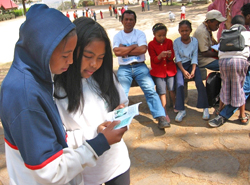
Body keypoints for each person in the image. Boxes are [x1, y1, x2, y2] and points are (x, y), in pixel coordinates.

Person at [0, 4, 127, 185]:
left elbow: (57, 138)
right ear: (43, 50)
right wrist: (98, 142)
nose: (71, 60)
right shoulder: (26, 96)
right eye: (67, 54)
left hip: (109, 166)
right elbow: (49, 170)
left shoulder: (38, 80)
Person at [54, 17, 130, 185]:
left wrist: (122, 115)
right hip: (84, 173)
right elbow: (60, 139)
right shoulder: (57, 91)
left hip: (116, 163)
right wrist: (96, 134)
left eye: (101, 57)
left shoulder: (106, 77)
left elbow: (124, 103)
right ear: (73, 51)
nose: (94, 64)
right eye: (88, 56)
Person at [113, 10, 170, 129]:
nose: (128, 22)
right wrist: (134, 46)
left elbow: (143, 50)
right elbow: (117, 52)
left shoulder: (139, 34)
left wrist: (126, 50)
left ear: (135, 21)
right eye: (126, 19)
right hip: (124, 68)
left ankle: (161, 117)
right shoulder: (117, 36)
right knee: (122, 93)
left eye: (131, 19)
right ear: (122, 21)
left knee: (150, 89)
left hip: (140, 66)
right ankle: (120, 121)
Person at [208, 4, 250, 127]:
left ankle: (219, 110)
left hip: (223, 63)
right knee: (240, 88)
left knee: (225, 86)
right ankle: (242, 116)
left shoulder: (225, 33)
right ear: (244, 25)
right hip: (239, 63)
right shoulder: (247, 34)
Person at [173, 20, 210, 122]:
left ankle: (205, 107)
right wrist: (184, 71)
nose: (184, 33)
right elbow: (178, 58)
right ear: (179, 31)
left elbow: (194, 57)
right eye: (182, 30)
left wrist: (193, 70)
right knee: (179, 83)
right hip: (181, 66)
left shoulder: (194, 41)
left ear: (190, 30)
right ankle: (181, 109)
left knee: (199, 82)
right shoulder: (176, 42)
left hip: (192, 64)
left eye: (187, 30)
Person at [148, 23, 177, 124]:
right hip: (158, 72)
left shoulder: (169, 42)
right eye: (159, 36)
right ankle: (164, 111)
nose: (162, 38)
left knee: (172, 88)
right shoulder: (151, 45)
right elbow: (154, 59)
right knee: (162, 92)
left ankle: (175, 105)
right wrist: (160, 56)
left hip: (170, 70)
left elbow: (172, 55)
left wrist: (169, 55)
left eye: (163, 35)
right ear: (154, 35)